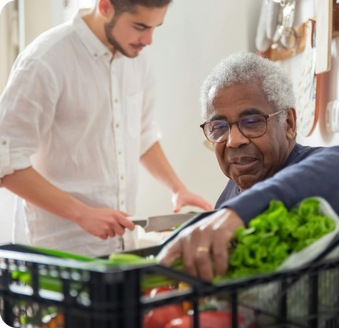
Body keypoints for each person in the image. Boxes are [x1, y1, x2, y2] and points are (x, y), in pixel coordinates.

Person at [0, 0, 213, 257]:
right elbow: (6, 162)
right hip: (58, 253)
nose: (148, 39)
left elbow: (142, 134)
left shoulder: (136, 59)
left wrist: (177, 190)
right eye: (139, 26)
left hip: (123, 248)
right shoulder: (44, 61)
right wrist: (83, 213)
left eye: (155, 27)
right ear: (105, 7)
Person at [158, 51, 339, 282]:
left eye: (252, 122)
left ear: (288, 123)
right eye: (219, 127)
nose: (234, 140)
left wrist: (239, 212)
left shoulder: (313, 172)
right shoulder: (231, 192)